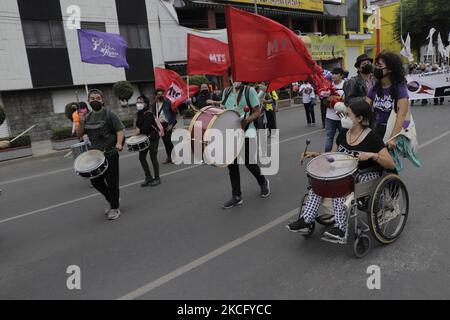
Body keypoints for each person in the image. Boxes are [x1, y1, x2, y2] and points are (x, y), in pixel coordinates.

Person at [287, 101, 395, 242]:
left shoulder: (372, 137)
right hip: (345, 173)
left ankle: (341, 229)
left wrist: (372, 155)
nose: (344, 117)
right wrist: (313, 154)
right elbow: (332, 157)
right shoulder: (344, 134)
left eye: (348, 115)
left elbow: (390, 164)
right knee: (317, 186)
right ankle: (305, 221)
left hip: (365, 173)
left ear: (360, 119)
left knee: (339, 188)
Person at [220, 78, 270, 209]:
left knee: (248, 162)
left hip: (247, 130)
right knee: (232, 165)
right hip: (230, 132)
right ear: (230, 77)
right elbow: (223, 110)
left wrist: (247, 120)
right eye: (233, 77)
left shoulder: (250, 91)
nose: (235, 80)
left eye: (237, 77)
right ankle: (236, 196)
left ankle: (263, 182)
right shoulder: (226, 91)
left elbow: (257, 111)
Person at [76, 89, 125, 220]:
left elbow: (119, 130)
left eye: (98, 98)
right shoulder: (87, 118)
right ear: (88, 101)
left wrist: (119, 143)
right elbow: (79, 134)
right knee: (96, 181)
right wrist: (80, 122)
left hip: (110, 153)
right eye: (92, 98)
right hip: (94, 156)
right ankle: (111, 199)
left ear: (103, 100)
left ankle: (115, 208)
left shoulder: (110, 115)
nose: (95, 100)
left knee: (112, 182)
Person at [366, 51, 409, 147]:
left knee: (388, 161)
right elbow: (365, 107)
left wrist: (393, 138)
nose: (376, 68)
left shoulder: (400, 88)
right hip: (376, 130)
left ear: (390, 69)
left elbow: (401, 115)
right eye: (375, 65)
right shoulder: (375, 88)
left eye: (379, 66)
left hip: (392, 131)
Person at [136, 95, 162, 187]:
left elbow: (144, 128)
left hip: (153, 137)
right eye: (137, 102)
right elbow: (138, 125)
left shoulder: (149, 114)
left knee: (153, 157)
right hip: (144, 138)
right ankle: (148, 177)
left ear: (146, 104)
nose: (138, 104)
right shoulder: (139, 113)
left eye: (141, 102)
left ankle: (157, 178)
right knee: (141, 157)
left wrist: (138, 131)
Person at [151, 88, 177, 164]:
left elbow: (174, 114)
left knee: (168, 140)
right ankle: (169, 157)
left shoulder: (168, 103)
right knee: (165, 141)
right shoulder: (154, 104)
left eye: (161, 94)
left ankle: (173, 156)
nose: (160, 95)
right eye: (158, 94)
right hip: (160, 125)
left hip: (168, 124)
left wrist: (171, 124)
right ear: (156, 95)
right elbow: (153, 115)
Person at [324, 68, 346, 152]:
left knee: (344, 137)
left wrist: (334, 98)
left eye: (336, 74)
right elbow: (324, 100)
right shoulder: (327, 85)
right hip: (330, 117)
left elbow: (348, 98)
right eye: (332, 74)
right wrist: (326, 100)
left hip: (343, 116)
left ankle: (342, 155)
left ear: (341, 75)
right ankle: (327, 155)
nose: (333, 75)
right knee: (329, 137)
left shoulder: (346, 84)